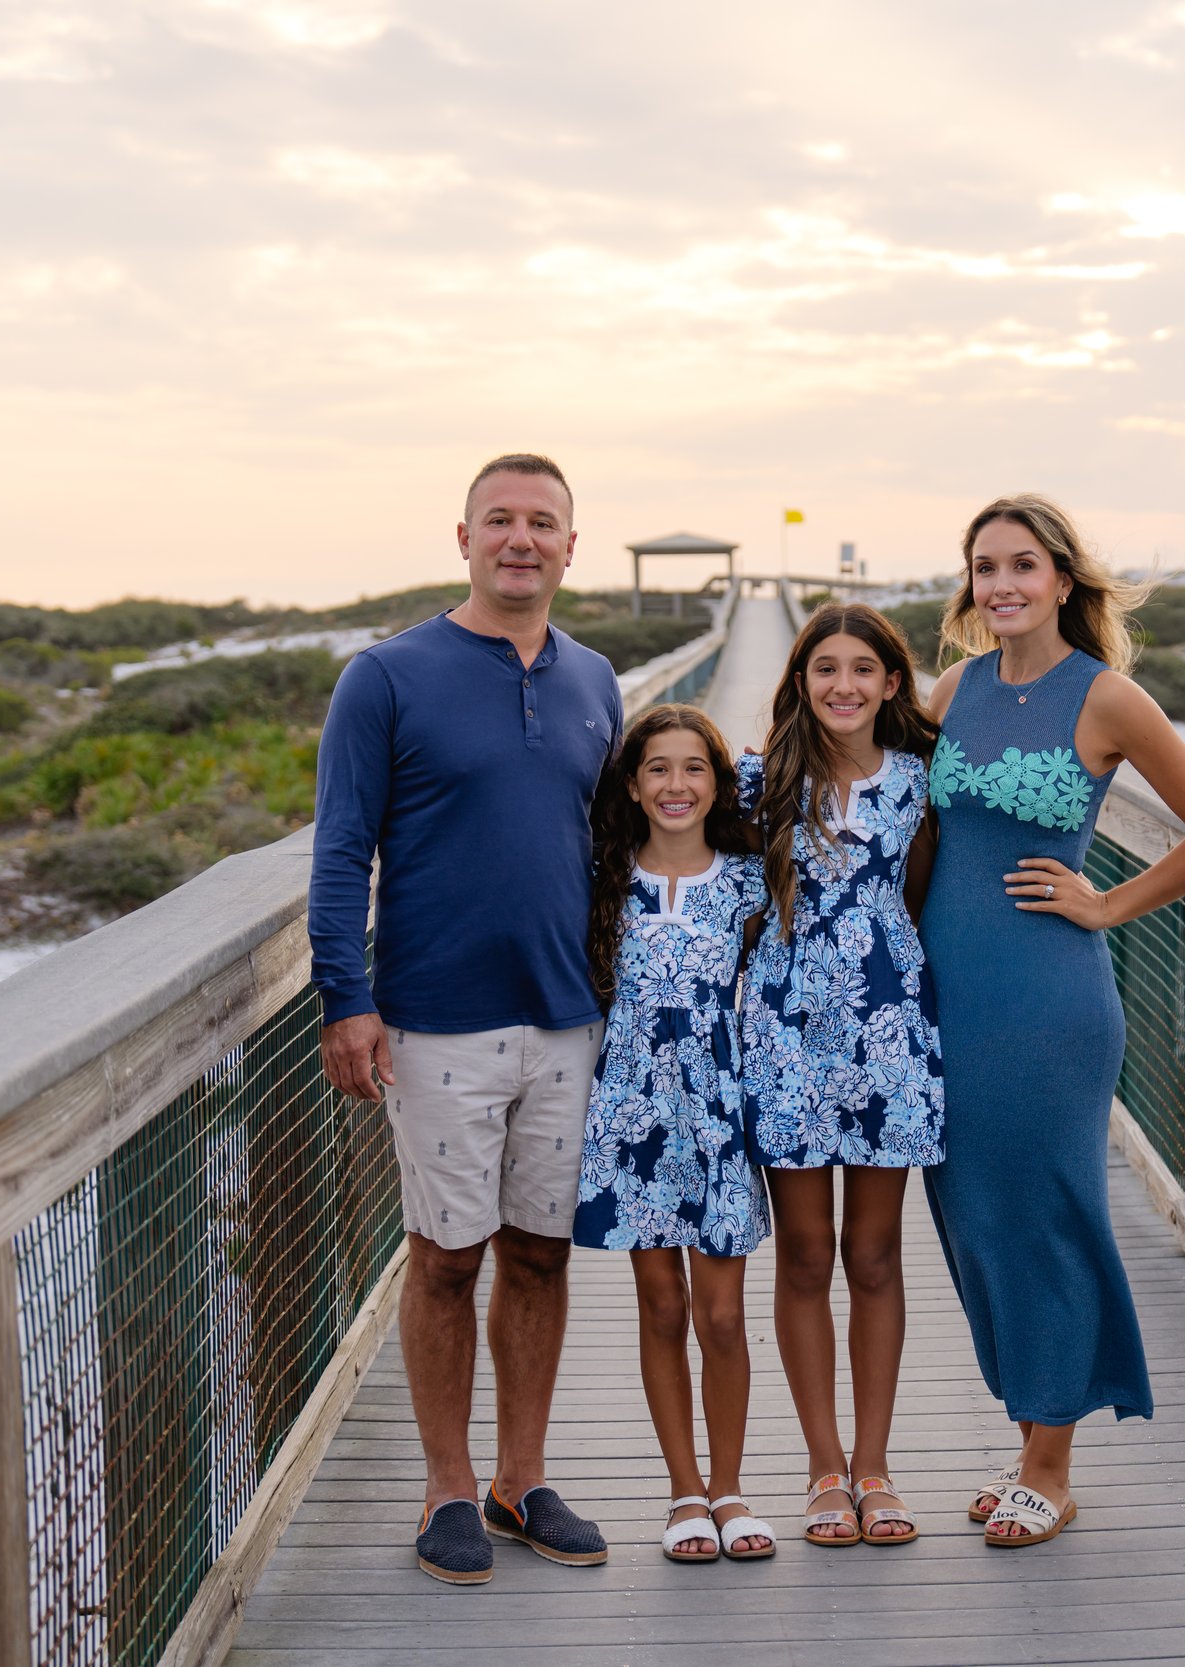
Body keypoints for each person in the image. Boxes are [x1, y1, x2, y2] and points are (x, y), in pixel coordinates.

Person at [309, 453, 619, 1586]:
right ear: (464, 537)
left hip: (567, 1017)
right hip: (435, 1018)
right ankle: (445, 1487)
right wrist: (345, 995)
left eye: (544, 522)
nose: (521, 538)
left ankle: (519, 1477)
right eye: (502, 520)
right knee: (445, 1256)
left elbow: (616, 839)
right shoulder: (385, 676)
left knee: (540, 1251)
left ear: (571, 546)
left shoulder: (595, 677)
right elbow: (342, 846)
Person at [920, 493, 1185, 1549]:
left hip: (1044, 999)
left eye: (1023, 564)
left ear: (1064, 579)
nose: (1002, 584)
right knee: (973, 1220)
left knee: (1045, 1211)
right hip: (942, 994)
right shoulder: (953, 688)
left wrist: (1104, 900)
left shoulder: (1107, 698)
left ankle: (1051, 1469)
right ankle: (1030, 1446)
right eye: (985, 567)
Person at [737, 603, 943, 1548]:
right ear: (801, 681)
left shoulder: (922, 782)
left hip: (889, 1034)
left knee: (874, 1255)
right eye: (826, 669)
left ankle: (877, 1465)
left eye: (865, 669)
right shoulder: (761, 782)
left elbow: (929, 893)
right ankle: (823, 1468)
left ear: (893, 683)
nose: (845, 686)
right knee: (806, 1254)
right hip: (783, 1038)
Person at [573, 704, 778, 1564]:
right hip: (632, 1114)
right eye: (657, 768)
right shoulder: (602, 881)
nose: (676, 785)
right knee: (661, 1306)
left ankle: (730, 1487)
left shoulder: (749, 880)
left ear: (719, 782)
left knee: (722, 1314)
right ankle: (684, 1490)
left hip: (718, 1110)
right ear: (631, 783)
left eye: (696, 768)